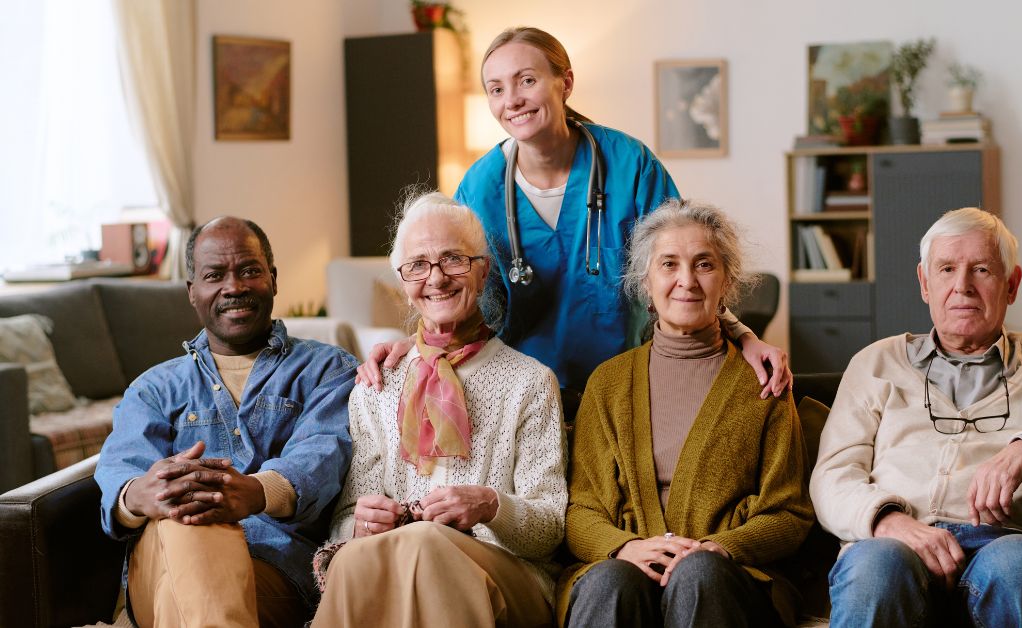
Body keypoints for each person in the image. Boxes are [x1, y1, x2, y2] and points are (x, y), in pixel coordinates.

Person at [359, 26, 790, 397]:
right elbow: (452, 290)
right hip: (518, 394)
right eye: (496, 89)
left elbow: (683, 271)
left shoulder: (630, 165)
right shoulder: (479, 187)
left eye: (526, 80)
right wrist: (414, 349)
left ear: (564, 82)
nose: (512, 100)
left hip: (630, 386)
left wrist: (744, 336)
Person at [810, 207, 1022, 627]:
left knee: (1020, 570)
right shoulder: (876, 363)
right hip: (894, 541)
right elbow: (832, 475)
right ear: (925, 283)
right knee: (874, 570)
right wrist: (887, 520)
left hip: (1007, 543)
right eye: (946, 269)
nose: (962, 287)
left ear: (1011, 286)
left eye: (981, 270)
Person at [312, 192, 566, 627]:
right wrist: (360, 524)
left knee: (423, 542)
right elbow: (346, 517)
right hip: (400, 563)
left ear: (482, 271)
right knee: (354, 559)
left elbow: (549, 528)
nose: (436, 278)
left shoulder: (530, 381)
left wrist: (490, 506)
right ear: (403, 284)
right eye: (418, 265)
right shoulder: (377, 384)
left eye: (453, 259)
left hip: (509, 575)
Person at [559, 199, 812, 628]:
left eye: (704, 265)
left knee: (699, 573)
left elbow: (789, 514)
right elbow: (581, 510)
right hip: (624, 572)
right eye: (669, 264)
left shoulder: (765, 383)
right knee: (609, 582)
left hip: (730, 578)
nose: (687, 281)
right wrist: (624, 547)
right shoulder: (608, 383)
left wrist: (722, 548)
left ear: (727, 282)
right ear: (646, 283)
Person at [96, 217, 357, 626]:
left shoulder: (329, 370)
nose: (233, 287)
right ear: (192, 292)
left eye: (249, 271)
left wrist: (254, 492)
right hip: (161, 562)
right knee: (189, 518)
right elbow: (119, 470)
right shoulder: (154, 388)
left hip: (274, 569)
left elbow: (322, 455)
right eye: (214, 275)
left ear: (272, 279)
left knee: (192, 529)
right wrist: (140, 495)